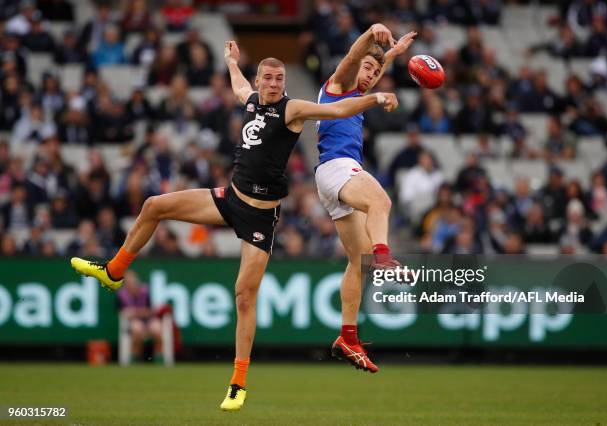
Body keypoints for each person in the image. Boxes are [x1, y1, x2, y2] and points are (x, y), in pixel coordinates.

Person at [71, 40, 398, 411]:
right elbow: (239, 84)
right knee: (153, 206)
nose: (274, 84)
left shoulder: (292, 109)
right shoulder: (251, 99)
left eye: (280, 78)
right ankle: (114, 271)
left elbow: (337, 108)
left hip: (261, 215)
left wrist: (374, 98)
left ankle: (238, 382)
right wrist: (230, 61)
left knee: (244, 296)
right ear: (260, 81)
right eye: (268, 78)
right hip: (230, 199)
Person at [315, 23, 416, 374]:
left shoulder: (360, 87)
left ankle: (347, 336)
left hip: (332, 179)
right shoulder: (339, 84)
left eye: (376, 72)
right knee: (381, 202)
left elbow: (372, 63)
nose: (371, 75)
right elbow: (354, 57)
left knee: (358, 263)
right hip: (338, 168)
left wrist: (392, 55)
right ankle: (385, 257)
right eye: (368, 69)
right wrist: (372, 35)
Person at [117, 271, 163, 362]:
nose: (132, 284)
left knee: (157, 329)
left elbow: (150, 311)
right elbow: (122, 312)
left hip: (149, 320)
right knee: (137, 329)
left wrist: (135, 312)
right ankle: (136, 357)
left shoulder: (145, 292)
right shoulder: (121, 295)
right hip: (132, 322)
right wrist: (136, 314)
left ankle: (159, 357)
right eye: (129, 282)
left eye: (134, 282)